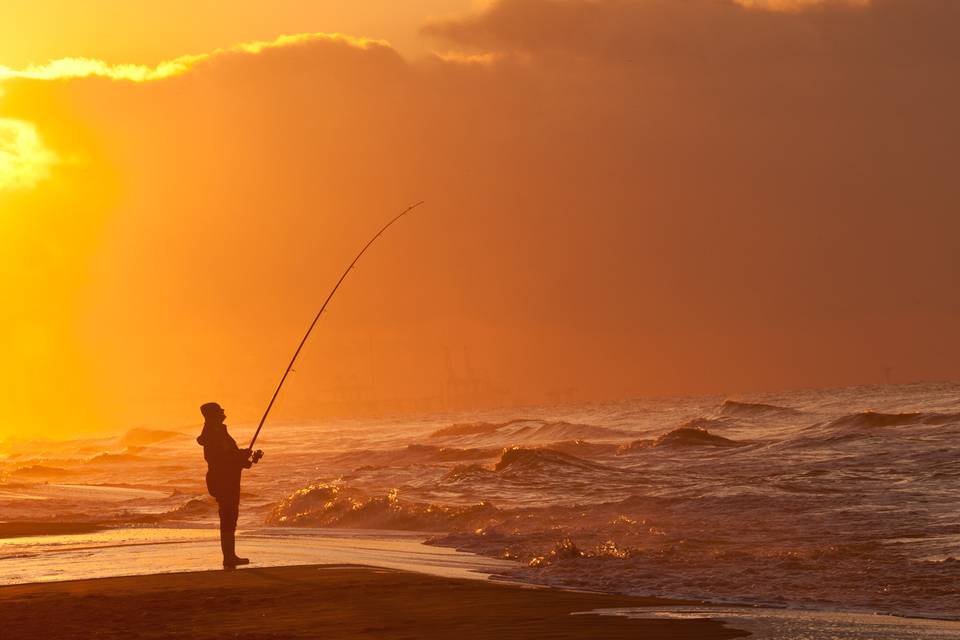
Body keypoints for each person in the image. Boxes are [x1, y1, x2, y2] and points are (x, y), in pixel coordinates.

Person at [196, 402, 262, 567]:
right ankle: (229, 557)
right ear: (213, 415)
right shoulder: (215, 434)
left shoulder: (215, 432)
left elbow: (228, 456)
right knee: (228, 517)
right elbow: (223, 459)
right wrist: (242, 456)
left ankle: (230, 555)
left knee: (229, 517)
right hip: (224, 480)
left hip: (225, 479)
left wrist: (244, 457)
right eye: (220, 410)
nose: (224, 411)